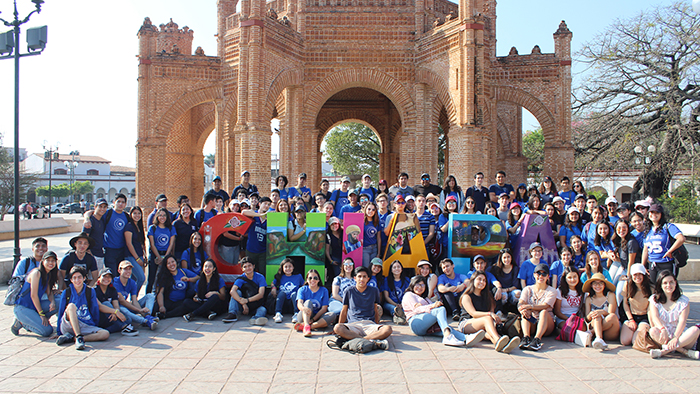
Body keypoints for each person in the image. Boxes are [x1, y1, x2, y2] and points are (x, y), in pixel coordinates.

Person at [402, 275, 476, 347]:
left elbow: (434, 311)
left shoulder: (426, 299)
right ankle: (448, 337)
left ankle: (466, 337)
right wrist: (432, 306)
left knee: (445, 327)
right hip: (415, 322)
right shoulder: (409, 294)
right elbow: (416, 309)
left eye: (422, 285)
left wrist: (435, 305)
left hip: (426, 327)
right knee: (440, 310)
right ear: (413, 284)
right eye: (417, 284)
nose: (420, 287)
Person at [459, 271, 519, 352]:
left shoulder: (488, 297)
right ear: (473, 281)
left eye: (484, 280)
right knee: (487, 319)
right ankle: (498, 339)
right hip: (467, 323)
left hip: (483, 326)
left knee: (488, 332)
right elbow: (473, 313)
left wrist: (495, 320)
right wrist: (490, 314)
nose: (482, 282)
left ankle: (500, 345)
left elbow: (491, 313)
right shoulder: (466, 296)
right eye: (479, 279)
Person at [333, 267, 392, 349]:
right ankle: (371, 340)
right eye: (359, 276)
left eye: (364, 276)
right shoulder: (349, 291)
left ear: (368, 279)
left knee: (387, 329)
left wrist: (377, 326)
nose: (362, 279)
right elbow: (344, 311)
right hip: (353, 325)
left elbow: (375, 309)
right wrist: (340, 326)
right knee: (337, 328)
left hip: (369, 324)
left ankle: (359, 339)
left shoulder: (374, 290)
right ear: (355, 278)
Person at [647, 271, 700, 359]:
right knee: (652, 330)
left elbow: (682, 321)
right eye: (665, 283)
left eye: (671, 282)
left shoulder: (684, 301)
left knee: (695, 330)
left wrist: (676, 337)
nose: (669, 285)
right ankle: (684, 352)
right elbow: (655, 317)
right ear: (660, 285)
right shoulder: (654, 299)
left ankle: (663, 352)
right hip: (664, 334)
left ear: (675, 283)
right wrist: (662, 329)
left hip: (681, 336)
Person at [55, 266, 109, 350]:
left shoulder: (90, 291)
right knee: (71, 306)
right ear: (71, 280)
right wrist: (58, 332)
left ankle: (73, 338)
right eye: (74, 278)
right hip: (68, 324)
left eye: (79, 277)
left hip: (84, 323)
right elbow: (61, 311)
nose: (77, 280)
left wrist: (94, 326)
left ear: (84, 278)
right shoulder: (67, 292)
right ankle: (79, 337)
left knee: (105, 334)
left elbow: (94, 309)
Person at [12, 251, 59, 337]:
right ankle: (22, 322)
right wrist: (41, 314)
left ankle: (36, 320)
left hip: (34, 307)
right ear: (42, 261)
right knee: (47, 331)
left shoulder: (48, 274)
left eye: (53, 261)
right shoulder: (36, 273)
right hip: (23, 307)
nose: (50, 263)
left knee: (59, 301)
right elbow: (33, 295)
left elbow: (49, 292)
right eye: (47, 260)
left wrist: (52, 302)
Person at [642, 204, 686, 283]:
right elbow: (645, 250)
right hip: (653, 264)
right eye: (652, 212)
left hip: (666, 263)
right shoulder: (648, 229)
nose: (654, 215)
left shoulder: (668, 227)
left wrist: (669, 251)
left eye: (657, 213)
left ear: (661, 214)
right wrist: (643, 265)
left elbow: (681, 239)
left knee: (667, 287)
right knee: (654, 288)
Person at [518, 263, 556, 351]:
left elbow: (545, 305)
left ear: (548, 277)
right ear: (534, 275)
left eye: (544, 274)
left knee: (544, 311)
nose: (541, 276)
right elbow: (521, 302)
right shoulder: (527, 289)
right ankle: (526, 337)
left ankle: (537, 339)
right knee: (525, 312)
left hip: (546, 323)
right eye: (539, 273)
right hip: (532, 322)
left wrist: (529, 306)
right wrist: (522, 309)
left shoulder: (552, 291)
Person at [113, 260, 158, 331]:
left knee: (150, 296)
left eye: (129, 269)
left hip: (129, 306)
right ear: (119, 271)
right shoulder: (115, 282)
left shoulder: (132, 282)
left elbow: (134, 300)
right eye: (125, 269)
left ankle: (147, 316)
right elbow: (122, 301)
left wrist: (142, 311)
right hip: (118, 307)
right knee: (123, 309)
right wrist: (140, 310)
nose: (128, 271)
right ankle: (145, 321)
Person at [222, 257, 268, 325]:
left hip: (256, 304)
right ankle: (232, 314)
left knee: (263, 310)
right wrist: (243, 303)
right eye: (245, 267)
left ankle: (255, 319)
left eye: (249, 266)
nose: (248, 268)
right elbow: (232, 291)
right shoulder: (241, 278)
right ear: (242, 269)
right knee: (237, 292)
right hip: (243, 306)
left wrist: (247, 300)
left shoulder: (260, 277)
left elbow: (261, 294)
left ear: (253, 266)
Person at [94, 268, 139, 336]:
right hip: (99, 316)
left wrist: (116, 312)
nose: (106, 279)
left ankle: (105, 330)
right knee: (106, 303)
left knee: (128, 319)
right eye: (104, 276)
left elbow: (116, 305)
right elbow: (100, 307)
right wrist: (114, 312)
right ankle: (124, 327)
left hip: (110, 316)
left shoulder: (112, 289)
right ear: (99, 278)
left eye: (109, 277)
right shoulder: (94, 290)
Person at [583, 272, 620, 350]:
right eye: (595, 284)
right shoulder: (589, 299)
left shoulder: (610, 295)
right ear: (591, 285)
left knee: (612, 316)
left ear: (604, 285)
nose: (598, 286)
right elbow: (587, 318)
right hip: (595, 323)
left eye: (600, 283)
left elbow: (611, 313)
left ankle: (592, 332)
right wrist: (591, 314)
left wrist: (602, 312)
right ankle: (599, 338)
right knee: (596, 316)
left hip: (609, 328)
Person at [294, 269, 336, 336]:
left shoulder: (324, 290)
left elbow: (324, 308)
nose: (312, 280)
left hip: (317, 317)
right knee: (308, 302)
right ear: (307, 280)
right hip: (304, 315)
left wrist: (313, 319)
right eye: (310, 278)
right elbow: (299, 303)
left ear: (318, 280)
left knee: (332, 314)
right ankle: (307, 324)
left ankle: (308, 327)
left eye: (315, 278)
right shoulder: (302, 289)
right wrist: (303, 308)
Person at [155, 255, 197, 319]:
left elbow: (198, 277)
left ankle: (166, 315)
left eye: (172, 262)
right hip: (169, 301)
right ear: (166, 266)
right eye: (168, 263)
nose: (171, 264)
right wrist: (161, 306)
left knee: (187, 304)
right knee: (155, 307)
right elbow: (160, 293)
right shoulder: (164, 276)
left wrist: (189, 279)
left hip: (181, 301)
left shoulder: (183, 271)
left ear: (176, 262)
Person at [620, 263, 651, 346]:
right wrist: (631, 319)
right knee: (625, 341)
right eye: (635, 274)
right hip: (632, 316)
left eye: (640, 274)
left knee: (635, 341)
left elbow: (651, 307)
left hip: (644, 317)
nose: (638, 277)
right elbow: (625, 303)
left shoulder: (650, 288)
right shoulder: (627, 285)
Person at [146, 207, 177, 294]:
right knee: (151, 279)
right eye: (160, 215)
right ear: (157, 217)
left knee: (163, 279)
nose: (162, 217)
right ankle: (147, 297)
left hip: (166, 255)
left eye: (164, 215)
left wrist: (165, 258)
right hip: (155, 255)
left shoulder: (171, 228)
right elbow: (152, 244)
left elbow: (171, 244)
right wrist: (158, 257)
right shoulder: (152, 228)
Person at [242, 196, 272, 273]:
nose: (267, 206)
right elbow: (243, 212)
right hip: (251, 249)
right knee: (250, 271)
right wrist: (261, 215)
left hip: (263, 251)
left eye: (268, 204)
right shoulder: (254, 215)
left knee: (263, 272)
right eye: (265, 203)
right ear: (259, 204)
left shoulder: (270, 218)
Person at [271, 258, 304, 323]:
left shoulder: (298, 276)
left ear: (293, 267)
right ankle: (278, 314)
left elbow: (303, 284)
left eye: (290, 266)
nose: (288, 268)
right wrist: (273, 288)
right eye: (286, 267)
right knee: (281, 293)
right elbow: (273, 283)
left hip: (293, 302)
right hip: (283, 302)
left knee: (294, 294)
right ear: (282, 268)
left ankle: (296, 314)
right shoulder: (280, 276)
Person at [123, 206, 147, 292]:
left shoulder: (139, 227)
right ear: (131, 214)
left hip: (140, 255)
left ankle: (132, 301)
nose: (137, 215)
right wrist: (137, 258)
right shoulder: (129, 227)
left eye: (139, 213)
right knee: (141, 278)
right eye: (135, 213)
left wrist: (144, 256)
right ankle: (133, 297)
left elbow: (142, 243)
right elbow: (129, 244)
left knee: (134, 280)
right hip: (131, 256)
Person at [82, 197, 108, 271]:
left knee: (97, 278)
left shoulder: (102, 220)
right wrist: (88, 252)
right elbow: (84, 238)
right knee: (90, 278)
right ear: (95, 207)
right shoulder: (90, 221)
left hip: (100, 253)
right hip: (92, 254)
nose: (102, 209)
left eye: (104, 207)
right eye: (100, 206)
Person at [362, 202, 381, 267]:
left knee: (373, 268)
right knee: (366, 267)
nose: (371, 211)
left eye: (373, 210)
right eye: (369, 209)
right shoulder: (361, 221)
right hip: (365, 249)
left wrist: (378, 253)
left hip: (374, 248)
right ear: (365, 209)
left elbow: (378, 238)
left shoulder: (377, 222)